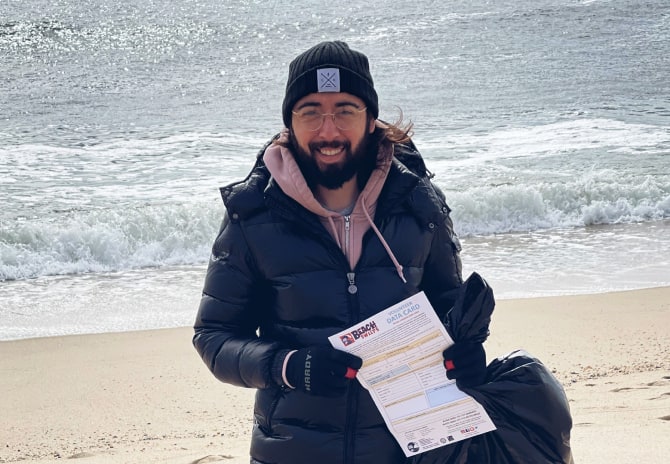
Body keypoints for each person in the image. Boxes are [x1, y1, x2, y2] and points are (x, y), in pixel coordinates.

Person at [193, 41, 487, 464]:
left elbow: (448, 309)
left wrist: (467, 353)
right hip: (292, 451)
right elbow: (214, 336)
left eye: (345, 110)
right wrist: (288, 366)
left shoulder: (419, 204)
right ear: (290, 122)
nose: (328, 131)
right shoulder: (252, 214)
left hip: (408, 451)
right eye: (310, 111)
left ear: (370, 119)